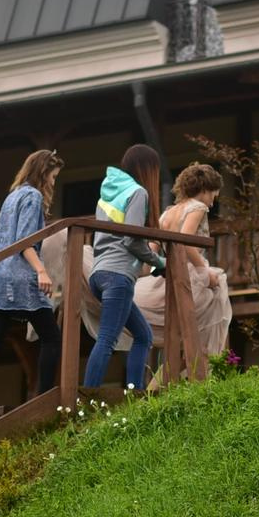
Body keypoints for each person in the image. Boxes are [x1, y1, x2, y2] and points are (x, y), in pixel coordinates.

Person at [0, 149, 63, 398]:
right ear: (43, 172)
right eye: (53, 176)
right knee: (52, 337)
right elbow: (25, 241)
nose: (53, 182)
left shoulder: (13, 196)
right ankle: (45, 397)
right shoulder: (32, 197)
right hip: (20, 279)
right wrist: (41, 270)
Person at [134, 161, 231, 378]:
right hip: (188, 275)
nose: (213, 200)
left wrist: (143, 273)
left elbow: (152, 248)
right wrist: (204, 272)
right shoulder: (198, 207)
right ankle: (206, 373)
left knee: (182, 338)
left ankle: (160, 384)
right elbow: (185, 242)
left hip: (167, 274)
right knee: (213, 308)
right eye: (213, 194)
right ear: (204, 189)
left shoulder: (168, 213)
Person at [79, 143, 163, 391]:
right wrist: (159, 262)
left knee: (143, 336)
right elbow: (132, 240)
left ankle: (135, 393)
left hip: (98, 273)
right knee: (107, 338)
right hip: (118, 275)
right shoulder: (138, 193)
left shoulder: (105, 196)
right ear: (147, 169)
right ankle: (88, 396)